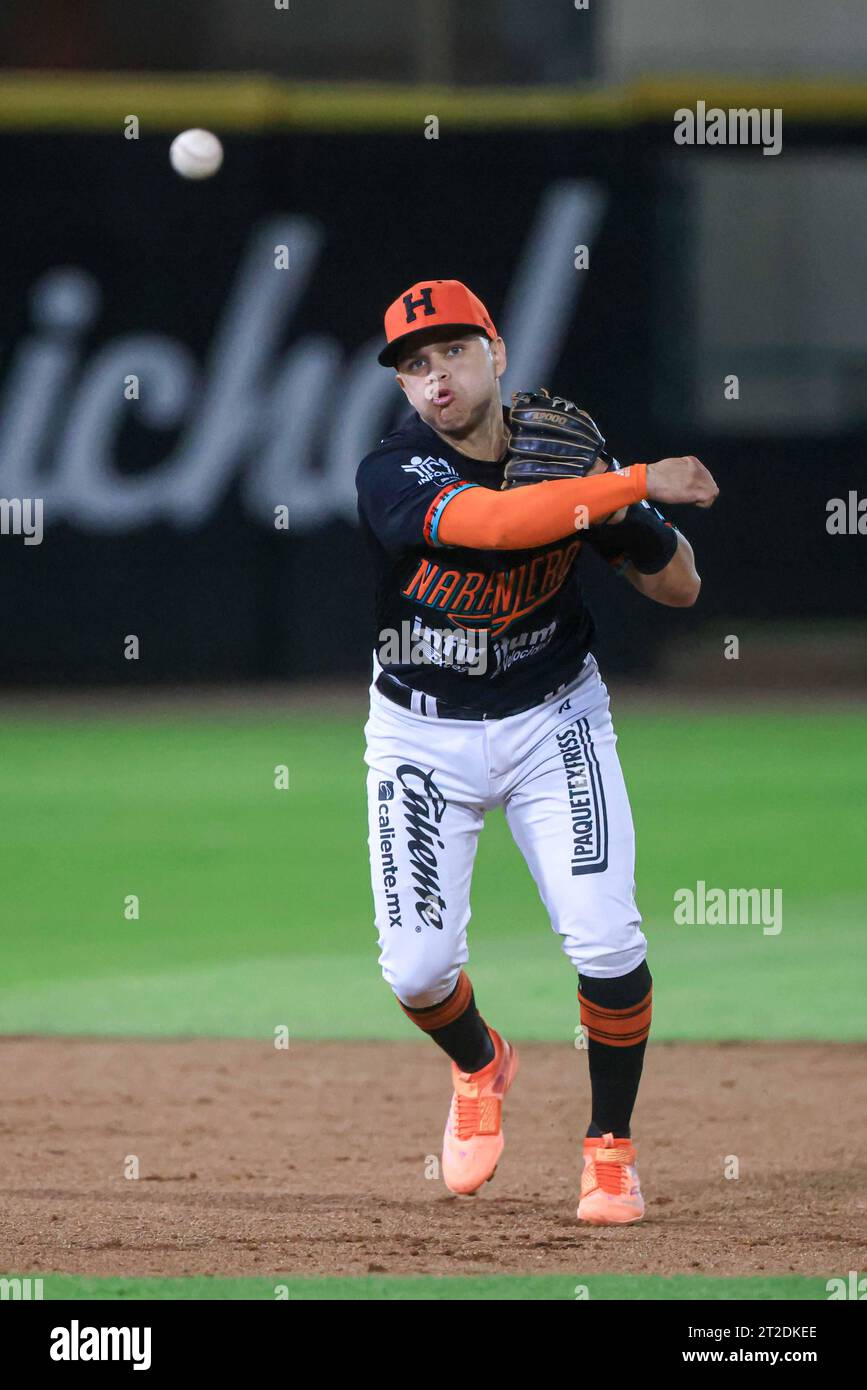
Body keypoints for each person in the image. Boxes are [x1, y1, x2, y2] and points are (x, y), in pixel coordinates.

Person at [355, 279, 718, 1223]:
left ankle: (610, 1153)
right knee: (416, 973)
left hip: (555, 720)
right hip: (419, 734)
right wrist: (628, 480)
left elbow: (678, 589)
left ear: (497, 352)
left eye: (452, 352)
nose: (435, 378)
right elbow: (491, 526)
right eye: (414, 366)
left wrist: (629, 511)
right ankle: (480, 1063)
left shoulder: (568, 462)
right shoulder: (393, 470)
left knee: (606, 939)